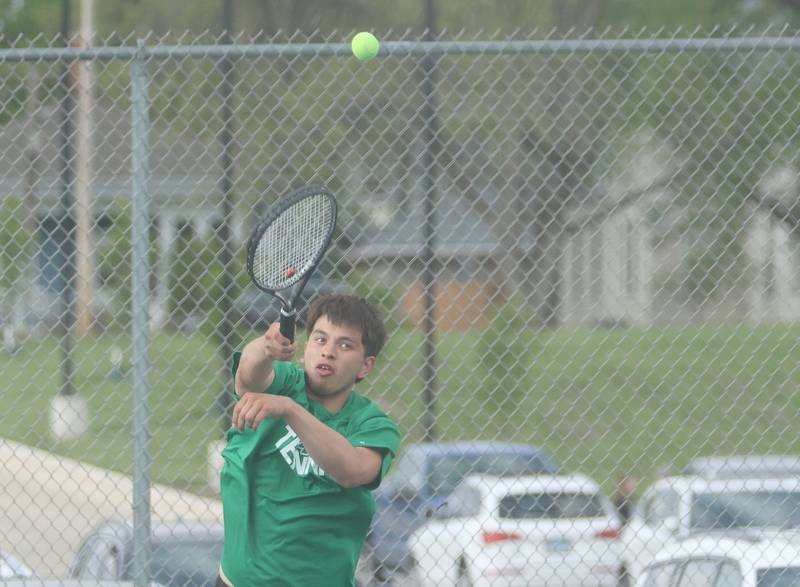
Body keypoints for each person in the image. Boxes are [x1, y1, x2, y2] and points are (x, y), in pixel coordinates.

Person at [217, 294, 401, 587]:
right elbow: (248, 376)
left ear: (366, 366)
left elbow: (353, 471)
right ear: (305, 348)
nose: (328, 352)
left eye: (345, 345)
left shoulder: (373, 424)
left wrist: (290, 410)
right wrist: (266, 347)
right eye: (320, 339)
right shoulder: (284, 383)